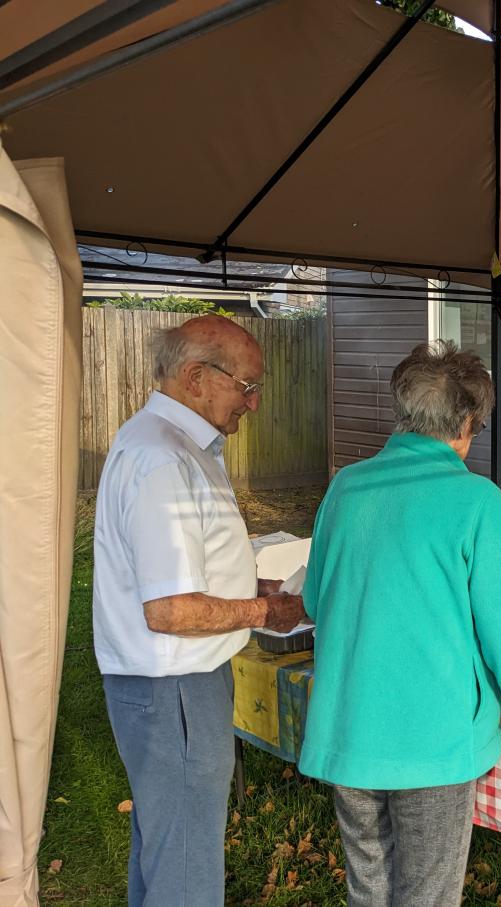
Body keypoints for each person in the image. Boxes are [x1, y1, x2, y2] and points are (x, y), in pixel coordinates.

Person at [300, 341, 501, 907]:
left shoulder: (346, 487)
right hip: (432, 740)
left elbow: (316, 599)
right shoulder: (473, 498)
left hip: (349, 730)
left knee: (370, 892)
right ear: (465, 423)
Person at [92, 315, 305, 907]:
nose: (253, 404)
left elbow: (176, 573)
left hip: (169, 687)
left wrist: (245, 580)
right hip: (174, 688)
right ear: (196, 377)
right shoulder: (165, 459)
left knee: (166, 847)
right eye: (247, 386)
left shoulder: (174, 444)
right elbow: (170, 610)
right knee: (186, 863)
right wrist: (265, 608)